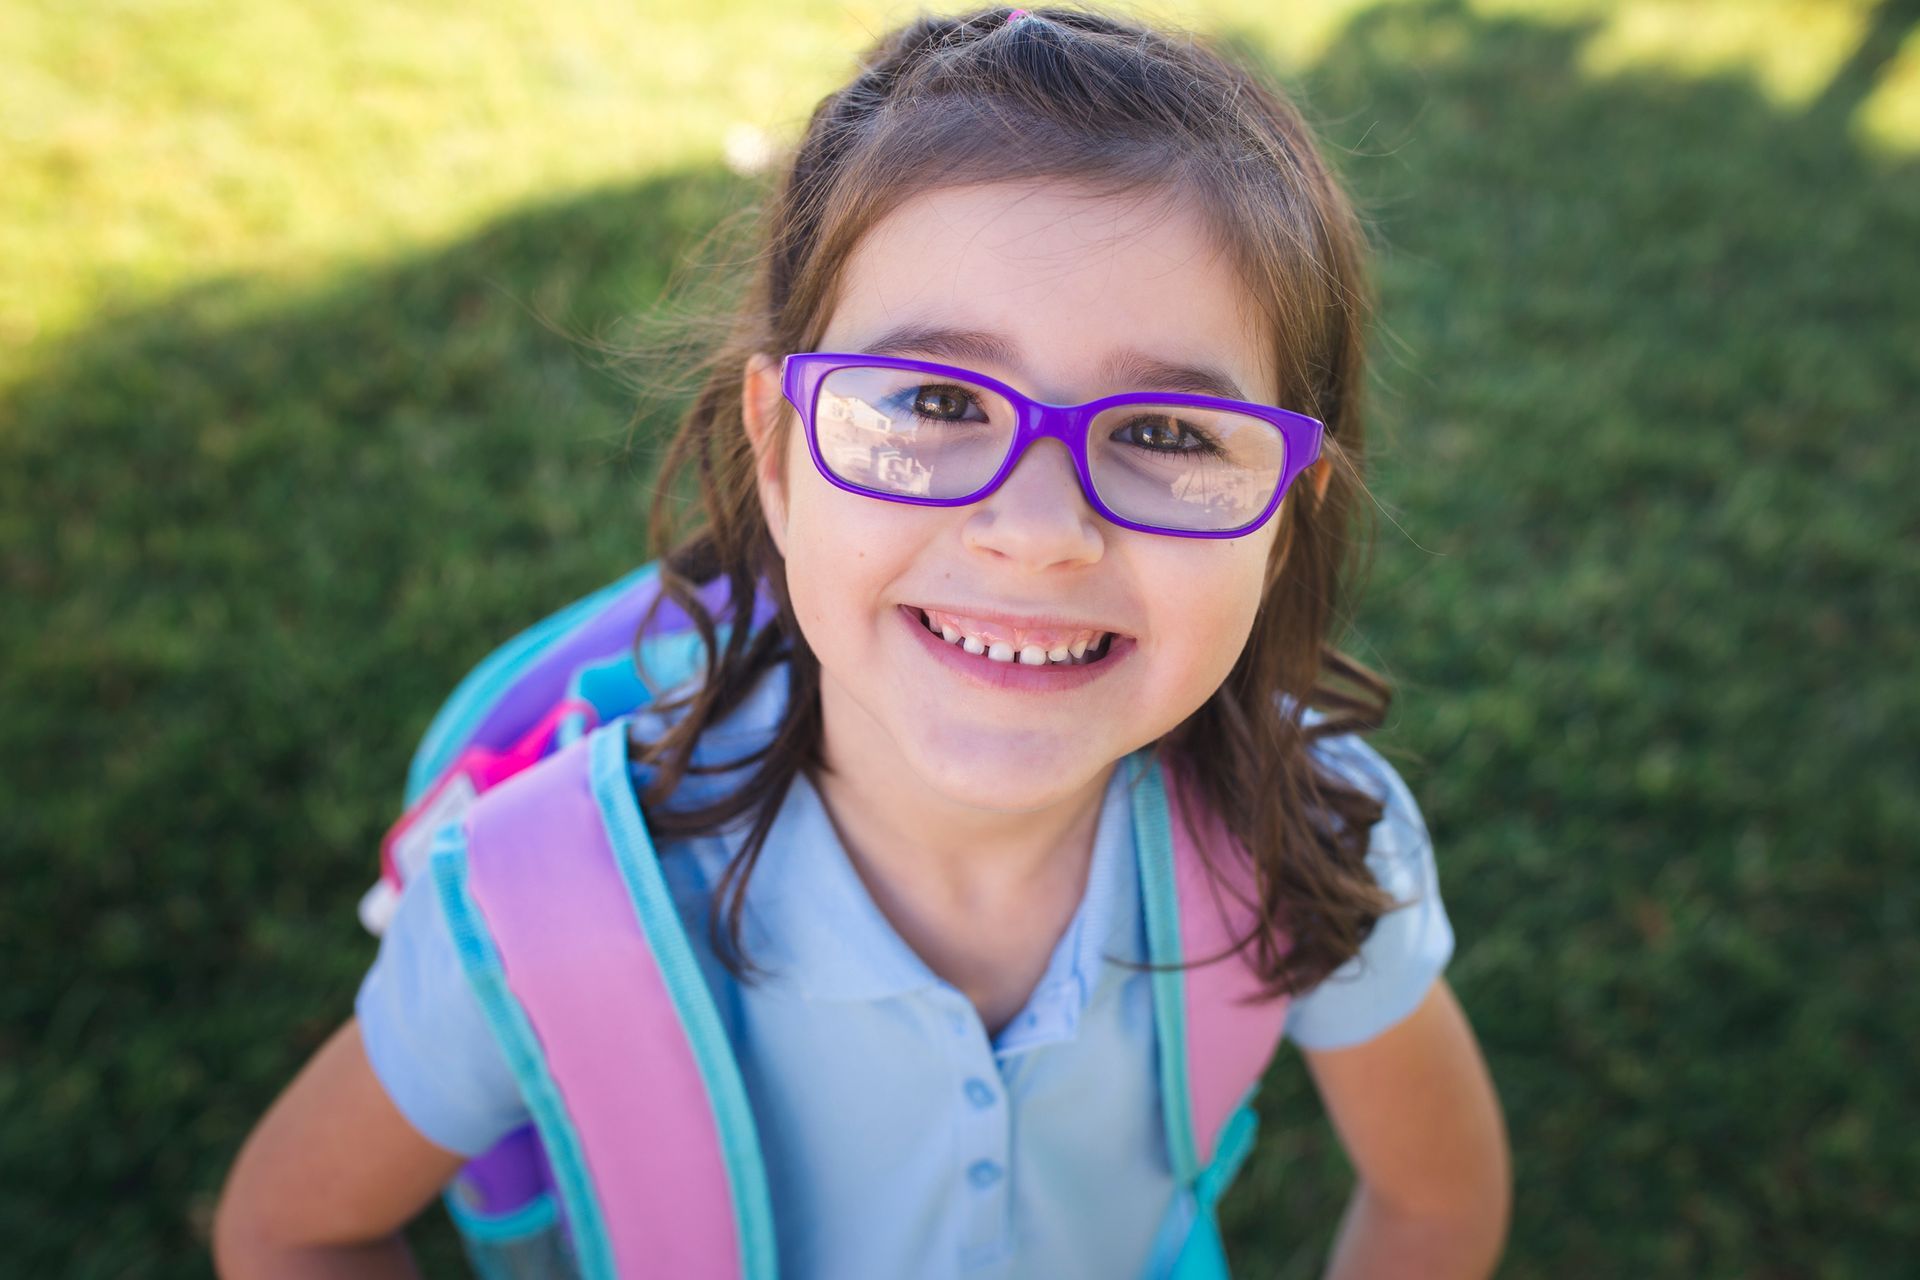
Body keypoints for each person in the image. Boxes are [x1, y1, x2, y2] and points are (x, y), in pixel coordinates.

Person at [213, 6, 1510, 1277]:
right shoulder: (536, 902)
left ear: (1285, 515)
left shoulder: (1309, 836)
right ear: (777, 453)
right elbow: (293, 1227)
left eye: (1171, 432)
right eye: (938, 401)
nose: (1036, 531)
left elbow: (1436, 1204)